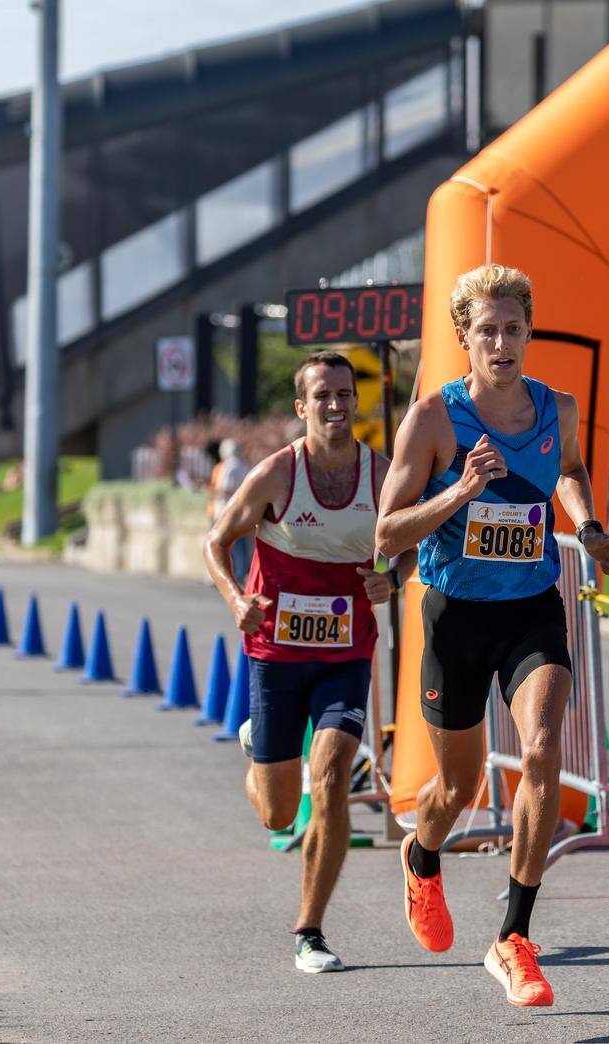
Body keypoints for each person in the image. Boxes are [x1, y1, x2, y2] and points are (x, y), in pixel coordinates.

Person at [375, 264, 609, 1007]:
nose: (501, 342)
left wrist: (588, 527)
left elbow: (571, 472)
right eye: (486, 330)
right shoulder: (432, 420)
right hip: (455, 616)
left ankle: (514, 936)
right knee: (457, 788)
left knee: (543, 747)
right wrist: (460, 490)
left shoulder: (558, 407)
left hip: (530, 608)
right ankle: (422, 857)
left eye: (513, 328)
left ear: (528, 331)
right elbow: (387, 532)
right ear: (464, 338)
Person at [204, 350, 413, 974]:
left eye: (345, 393)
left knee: (329, 781)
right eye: (322, 395)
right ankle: (257, 745)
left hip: (346, 653)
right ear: (302, 407)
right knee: (277, 809)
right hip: (275, 653)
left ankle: (310, 931)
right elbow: (216, 541)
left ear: (357, 401)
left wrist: (392, 579)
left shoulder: (383, 475)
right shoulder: (275, 475)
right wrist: (237, 598)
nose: (336, 404)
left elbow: (414, 540)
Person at [208, 437, 252, 581]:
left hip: (225, 510)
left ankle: (229, 574)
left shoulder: (228, 466)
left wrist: (211, 490)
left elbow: (225, 489)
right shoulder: (245, 465)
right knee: (240, 544)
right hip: (242, 510)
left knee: (224, 544)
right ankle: (241, 572)